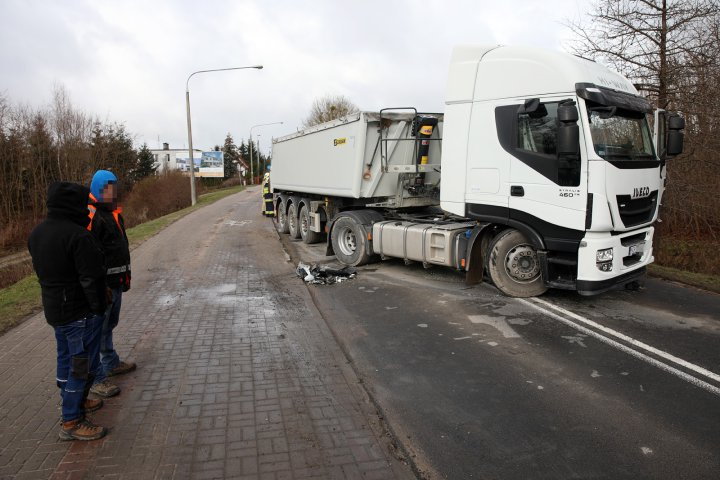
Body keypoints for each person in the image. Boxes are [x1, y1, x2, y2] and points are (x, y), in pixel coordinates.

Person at [28, 182, 109, 441]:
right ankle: (71, 420)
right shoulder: (78, 235)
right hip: (79, 313)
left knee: (66, 361)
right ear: (72, 204)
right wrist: (98, 308)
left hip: (55, 310)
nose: (87, 208)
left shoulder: (37, 233)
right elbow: (91, 278)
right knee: (81, 366)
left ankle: (76, 402)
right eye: (84, 203)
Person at [87, 170, 136, 399]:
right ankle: (95, 378)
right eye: (108, 188)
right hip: (102, 285)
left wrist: (124, 278)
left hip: (116, 282)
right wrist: (99, 285)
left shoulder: (114, 213)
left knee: (109, 325)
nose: (113, 192)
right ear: (98, 189)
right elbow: (89, 254)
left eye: (114, 187)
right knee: (96, 331)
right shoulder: (92, 215)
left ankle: (110, 361)